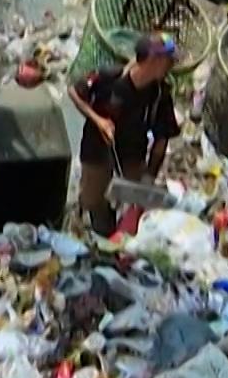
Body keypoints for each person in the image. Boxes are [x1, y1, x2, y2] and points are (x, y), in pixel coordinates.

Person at [69, 35, 181, 237]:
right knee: (91, 200)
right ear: (152, 60)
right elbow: (75, 92)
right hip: (98, 147)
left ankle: (126, 236)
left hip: (132, 152)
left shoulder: (159, 94)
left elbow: (162, 138)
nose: (172, 65)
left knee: (139, 201)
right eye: (168, 60)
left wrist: (149, 176)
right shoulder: (109, 77)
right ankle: (103, 232)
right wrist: (98, 120)